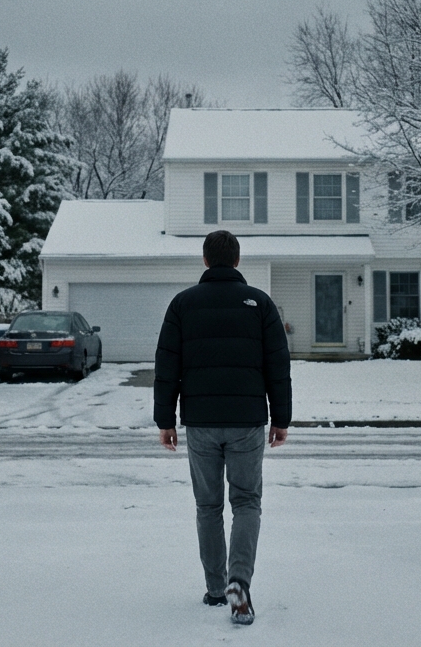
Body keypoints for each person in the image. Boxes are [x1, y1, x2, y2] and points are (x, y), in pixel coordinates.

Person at [153, 229, 291, 626]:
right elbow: (277, 366)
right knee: (246, 502)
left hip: (200, 423)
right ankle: (239, 581)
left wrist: (166, 421)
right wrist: (281, 418)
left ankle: (217, 589)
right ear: (237, 260)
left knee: (208, 506)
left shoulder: (183, 304)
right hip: (247, 421)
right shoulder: (260, 304)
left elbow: (167, 367)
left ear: (205, 259)